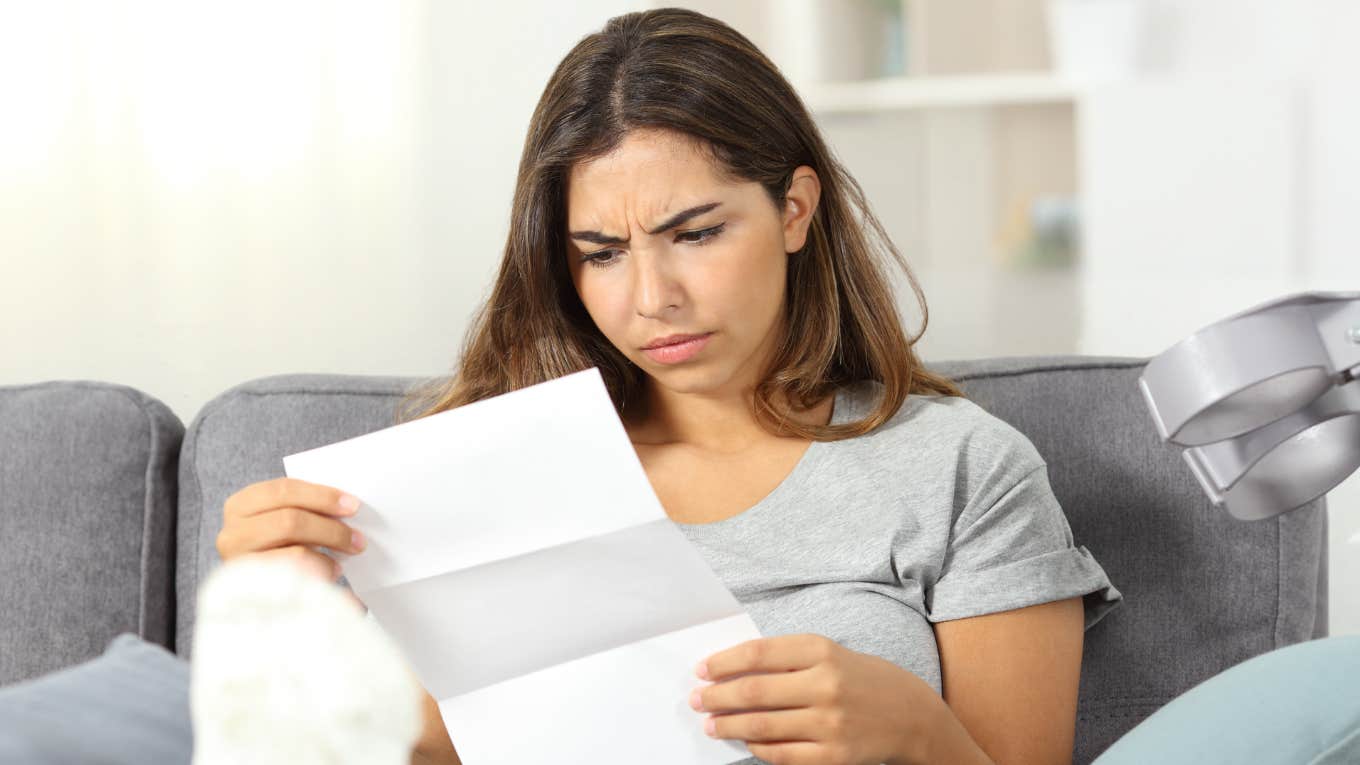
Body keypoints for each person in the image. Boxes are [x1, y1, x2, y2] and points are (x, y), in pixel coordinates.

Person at [5, 8, 1350, 765]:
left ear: (798, 206)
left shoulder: (957, 465)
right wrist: (279, 619)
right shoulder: (454, 470)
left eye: (694, 232)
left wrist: (914, 732)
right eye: (599, 251)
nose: (648, 297)